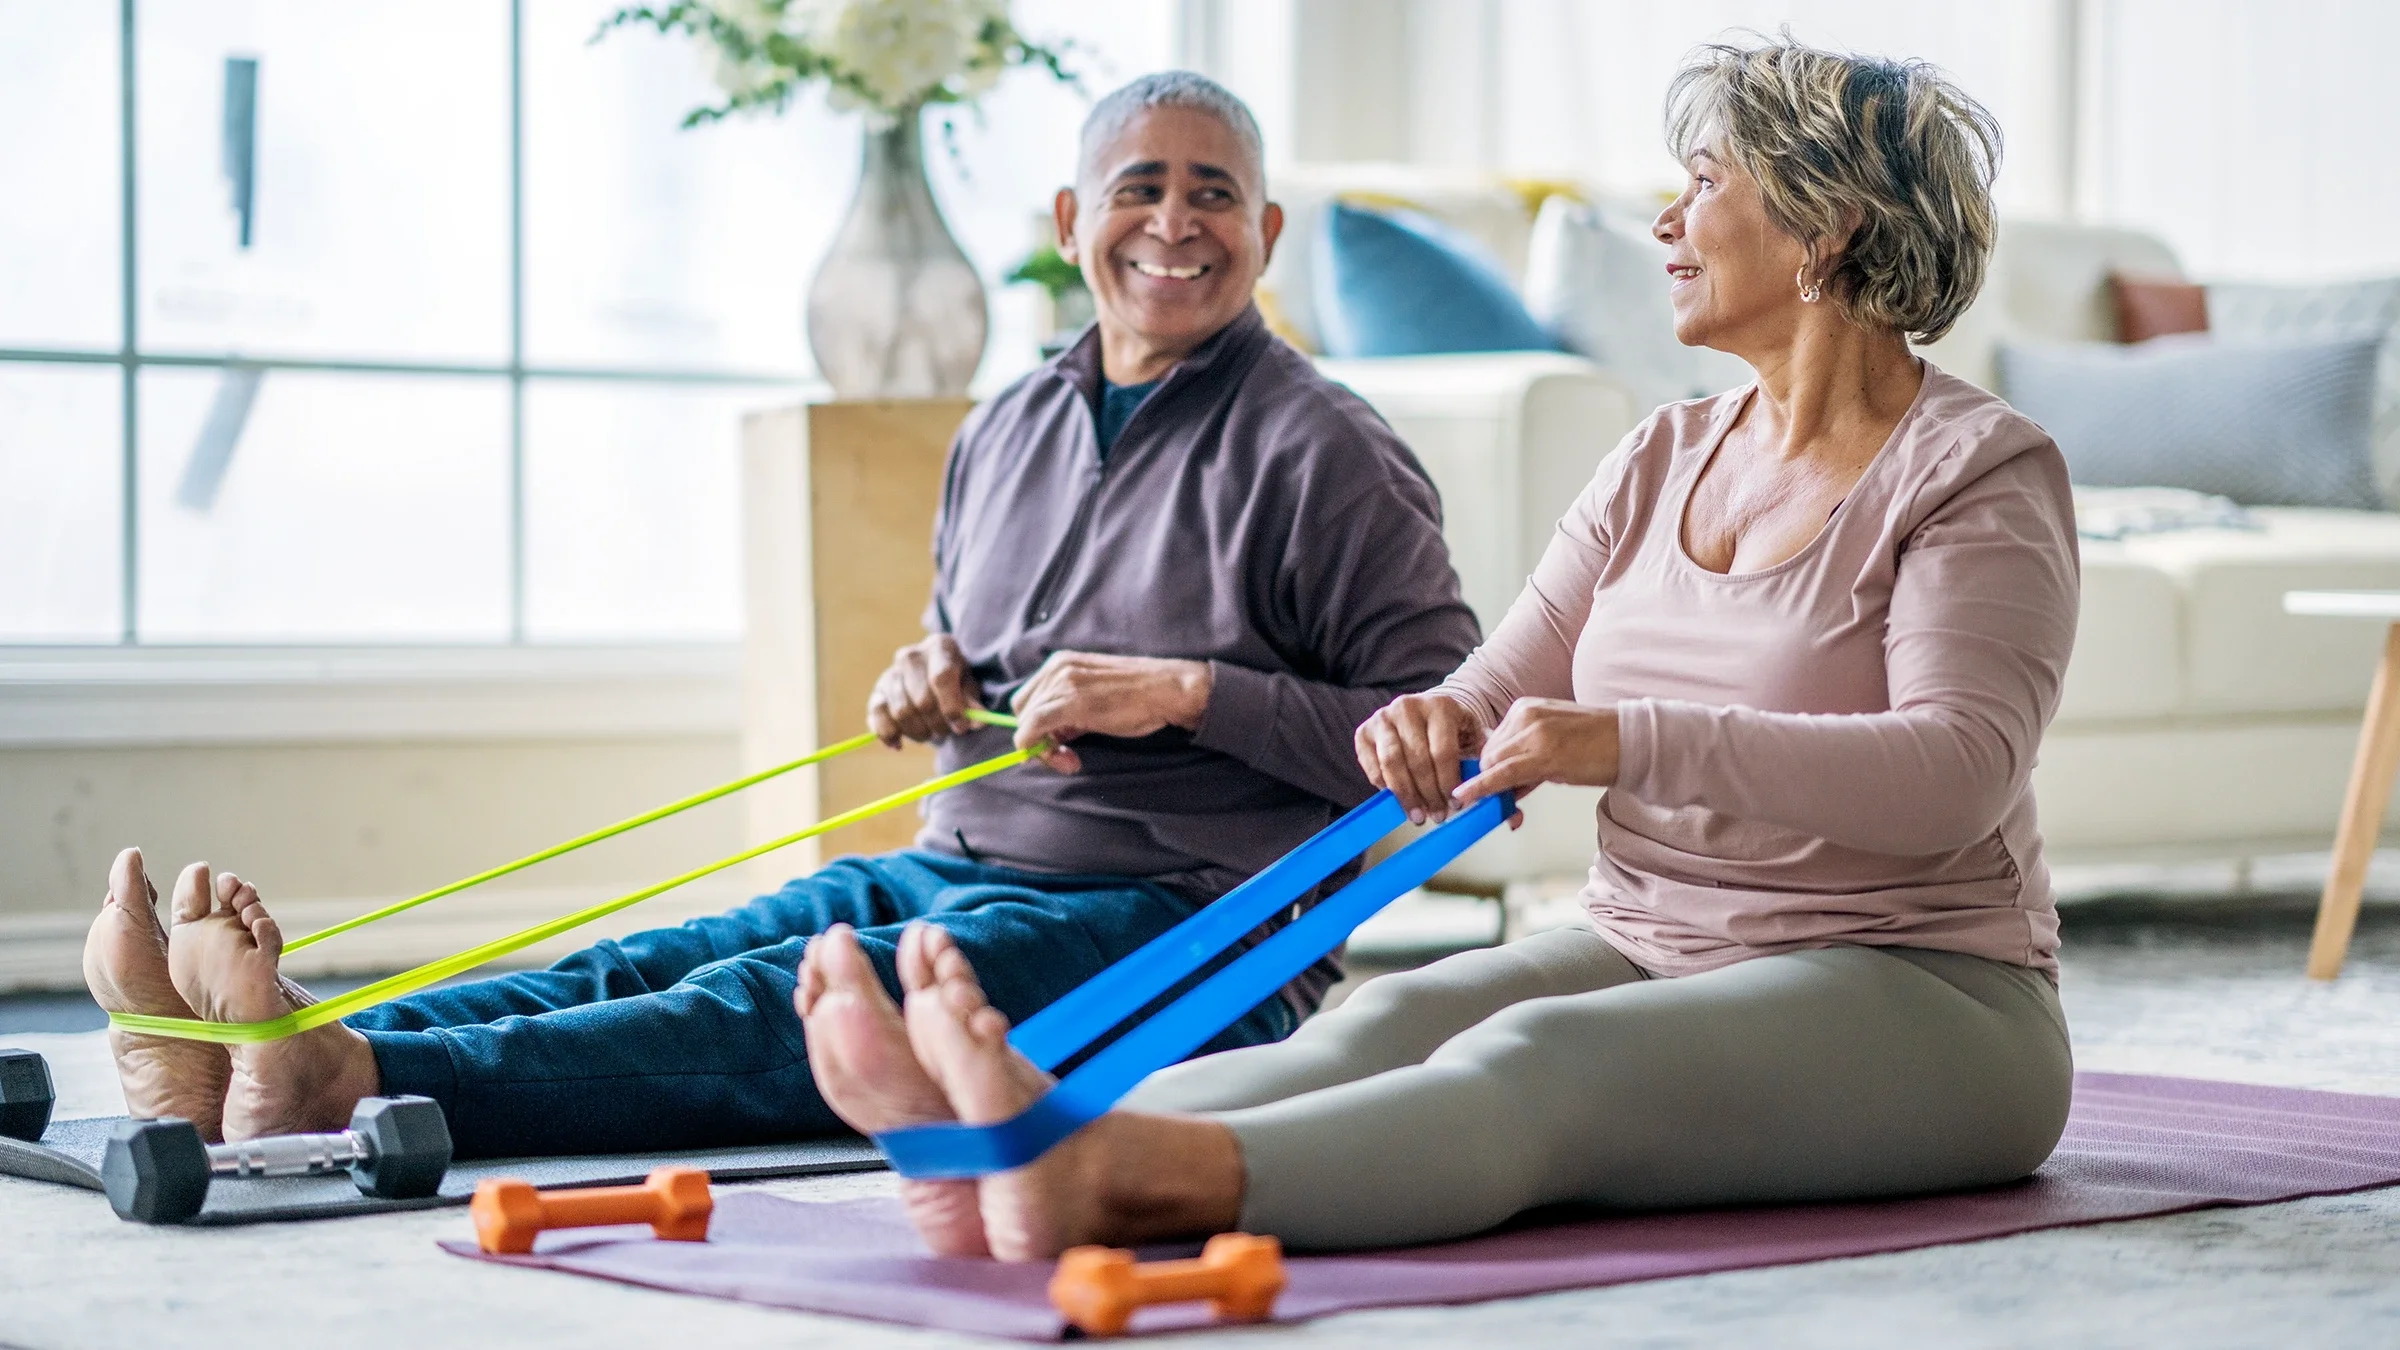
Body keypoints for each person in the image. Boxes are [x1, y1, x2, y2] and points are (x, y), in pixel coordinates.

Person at [796, 35, 2084, 1259]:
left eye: (1702, 185)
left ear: (1829, 217)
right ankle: (1010, 1142)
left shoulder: (1976, 474)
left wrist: (1627, 741)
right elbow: (1494, 683)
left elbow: (1955, 772)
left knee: (1541, 1066)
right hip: (1653, 942)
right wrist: (1438, 723)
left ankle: (1121, 1182)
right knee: (1398, 1014)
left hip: (1923, 990)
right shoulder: (1663, 455)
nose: (1664, 223)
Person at [82, 71, 1479, 1158]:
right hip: (958, 861)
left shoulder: (1327, 451)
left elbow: (1452, 755)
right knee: (661, 956)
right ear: (1070, 222)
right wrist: (929, 679)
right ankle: (262, 1045)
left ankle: (336, 1078)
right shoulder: (1006, 428)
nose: (1176, 224)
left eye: (1217, 196)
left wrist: (1189, 692)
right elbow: (971, 660)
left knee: (774, 1008)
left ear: (1265, 232)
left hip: (1184, 930)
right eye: (1140, 187)